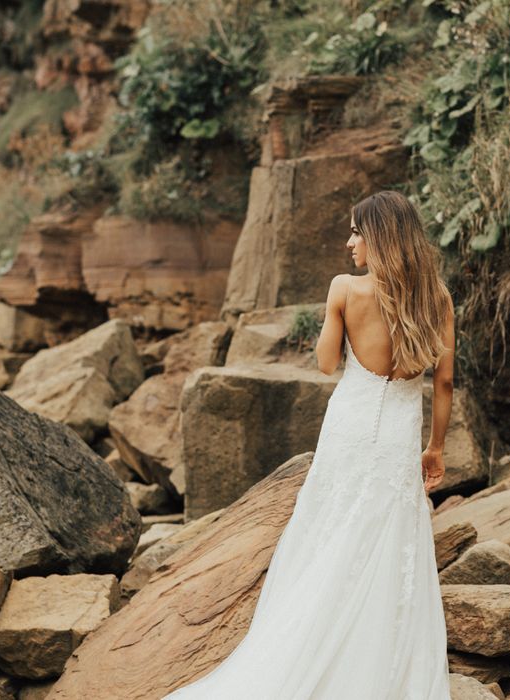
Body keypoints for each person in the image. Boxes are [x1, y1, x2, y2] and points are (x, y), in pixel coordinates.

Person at [162, 190, 455, 699]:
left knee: (331, 530)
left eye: (357, 232)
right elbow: (445, 384)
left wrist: (332, 321)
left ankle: (308, 642)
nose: (349, 242)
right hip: (399, 434)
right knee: (390, 538)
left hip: (351, 424)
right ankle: (380, 663)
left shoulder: (345, 289)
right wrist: (437, 448)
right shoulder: (438, 298)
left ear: (380, 236)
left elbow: (324, 364)